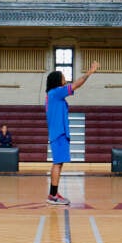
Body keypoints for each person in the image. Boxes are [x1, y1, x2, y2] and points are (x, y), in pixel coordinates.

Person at [44, 61, 100, 205]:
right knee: (57, 163)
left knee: (59, 163)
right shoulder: (56, 92)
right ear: (57, 81)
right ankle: (52, 196)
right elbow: (77, 84)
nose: (65, 79)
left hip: (58, 133)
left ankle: (54, 193)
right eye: (63, 77)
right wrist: (90, 72)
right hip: (59, 133)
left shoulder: (52, 95)